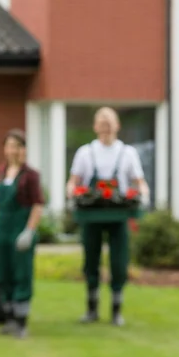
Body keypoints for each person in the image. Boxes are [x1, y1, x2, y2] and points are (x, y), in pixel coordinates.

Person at [66, 107, 149, 326]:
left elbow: (138, 182)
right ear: (95, 127)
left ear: (117, 125)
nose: (105, 127)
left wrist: (143, 195)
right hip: (92, 213)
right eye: (101, 123)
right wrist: (72, 193)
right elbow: (74, 181)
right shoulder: (85, 152)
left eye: (109, 122)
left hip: (118, 214)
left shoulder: (127, 153)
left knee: (119, 261)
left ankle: (116, 308)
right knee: (90, 259)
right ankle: (91, 307)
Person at [0, 129, 44, 338]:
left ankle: (22, 322)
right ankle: (9, 318)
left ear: (23, 149)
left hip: (20, 231)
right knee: (3, 273)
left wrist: (29, 230)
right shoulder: (2, 172)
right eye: (9, 145)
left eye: (17, 146)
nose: (12, 150)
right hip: (2, 231)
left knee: (22, 274)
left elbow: (37, 205)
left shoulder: (30, 176)